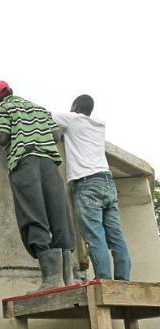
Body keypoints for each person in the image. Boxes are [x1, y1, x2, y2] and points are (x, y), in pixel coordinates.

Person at [0, 80, 76, 292]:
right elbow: (56, 135)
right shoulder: (38, 108)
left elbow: (2, 138)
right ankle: (67, 279)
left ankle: (52, 279)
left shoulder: (4, 107)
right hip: (50, 165)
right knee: (59, 216)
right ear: (11, 90)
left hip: (26, 164)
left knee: (34, 217)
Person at [51, 94, 131, 281]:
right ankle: (123, 280)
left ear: (76, 106)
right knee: (116, 236)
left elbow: (42, 114)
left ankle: (103, 280)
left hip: (87, 184)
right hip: (107, 182)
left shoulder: (72, 119)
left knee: (95, 235)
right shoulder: (100, 125)